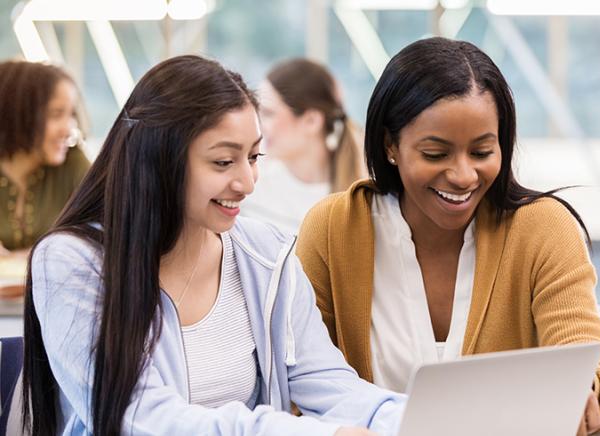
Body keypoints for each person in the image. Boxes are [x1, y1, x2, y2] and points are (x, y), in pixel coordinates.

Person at [21, 55, 404, 436]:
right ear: (159, 159)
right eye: (223, 162)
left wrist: (411, 417)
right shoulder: (72, 262)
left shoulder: (267, 255)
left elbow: (332, 387)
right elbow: (138, 418)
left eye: (254, 156)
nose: (248, 182)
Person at [296, 37, 600, 435]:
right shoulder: (334, 229)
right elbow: (299, 384)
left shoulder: (543, 229)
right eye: (436, 154)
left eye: (482, 152)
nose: (464, 176)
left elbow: (592, 359)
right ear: (390, 145)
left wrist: (586, 391)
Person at [243, 58, 365, 234]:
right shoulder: (251, 185)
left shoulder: (361, 199)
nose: (259, 125)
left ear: (311, 121)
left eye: (268, 113)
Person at [0, 60, 90, 256]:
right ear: (18, 113)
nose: (68, 128)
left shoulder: (74, 165)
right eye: (56, 115)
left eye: (71, 115)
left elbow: (101, 239)